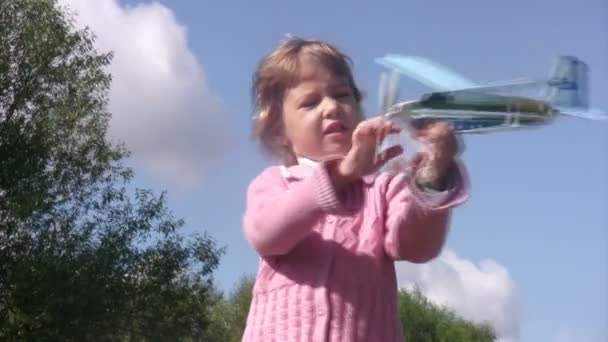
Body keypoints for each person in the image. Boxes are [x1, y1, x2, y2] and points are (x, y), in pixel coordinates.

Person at [241, 36, 469, 342]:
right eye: (310, 102)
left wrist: (433, 172)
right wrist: (343, 173)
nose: (332, 107)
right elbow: (267, 234)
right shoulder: (277, 182)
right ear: (279, 130)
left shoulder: (385, 183)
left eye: (342, 95)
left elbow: (417, 247)